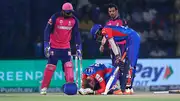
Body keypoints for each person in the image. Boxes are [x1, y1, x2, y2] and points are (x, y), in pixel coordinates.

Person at [40, 2, 82, 95]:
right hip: (54, 47)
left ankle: (69, 88)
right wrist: (46, 45)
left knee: (68, 67)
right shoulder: (55, 17)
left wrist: (79, 48)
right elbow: (47, 30)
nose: (69, 14)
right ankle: (44, 87)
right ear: (63, 11)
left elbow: (76, 34)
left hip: (65, 48)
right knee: (50, 67)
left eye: (70, 12)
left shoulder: (74, 20)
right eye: (67, 12)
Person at [90, 24, 140, 94]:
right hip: (130, 38)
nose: (99, 38)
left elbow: (112, 43)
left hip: (132, 38)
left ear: (98, 32)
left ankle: (127, 89)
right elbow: (116, 45)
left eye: (97, 36)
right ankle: (129, 88)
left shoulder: (105, 30)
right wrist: (119, 56)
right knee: (128, 63)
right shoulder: (108, 31)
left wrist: (117, 56)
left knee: (131, 64)